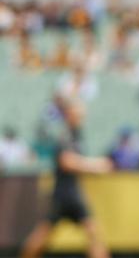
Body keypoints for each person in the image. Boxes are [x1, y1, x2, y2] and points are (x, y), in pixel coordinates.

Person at [20, 99, 113, 258]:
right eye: (78, 112)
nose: (81, 115)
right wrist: (95, 166)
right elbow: (66, 161)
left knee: (93, 233)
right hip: (63, 193)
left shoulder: (77, 135)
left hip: (73, 191)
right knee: (43, 234)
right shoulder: (65, 136)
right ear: (69, 114)